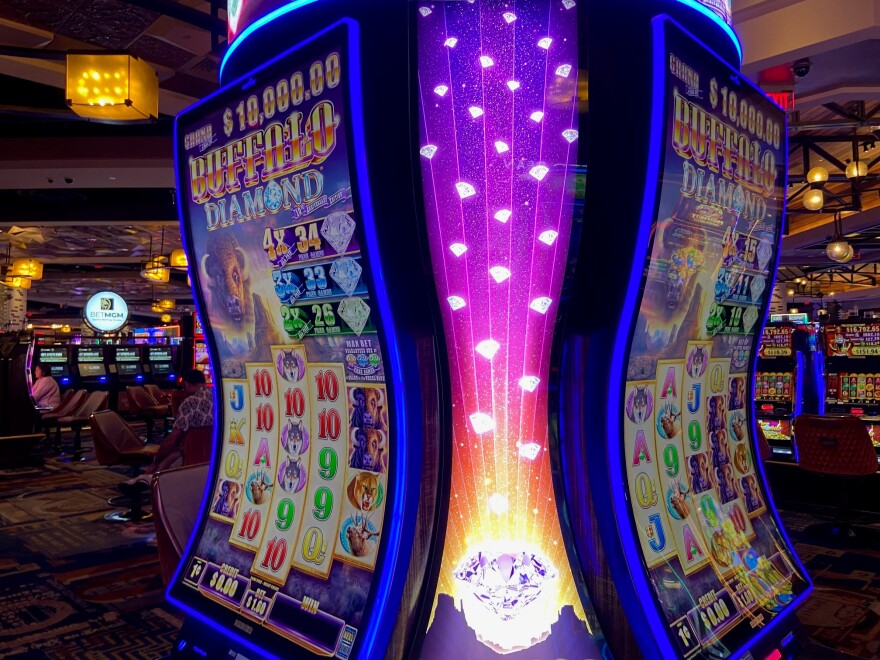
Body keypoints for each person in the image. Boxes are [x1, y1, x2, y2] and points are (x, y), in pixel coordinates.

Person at [121, 369, 213, 490]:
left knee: (172, 449)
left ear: (186, 384)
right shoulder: (220, 398)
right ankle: (146, 478)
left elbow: (173, 439)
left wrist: (156, 460)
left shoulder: (190, 402)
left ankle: (147, 478)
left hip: (191, 453)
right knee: (176, 452)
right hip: (215, 453)